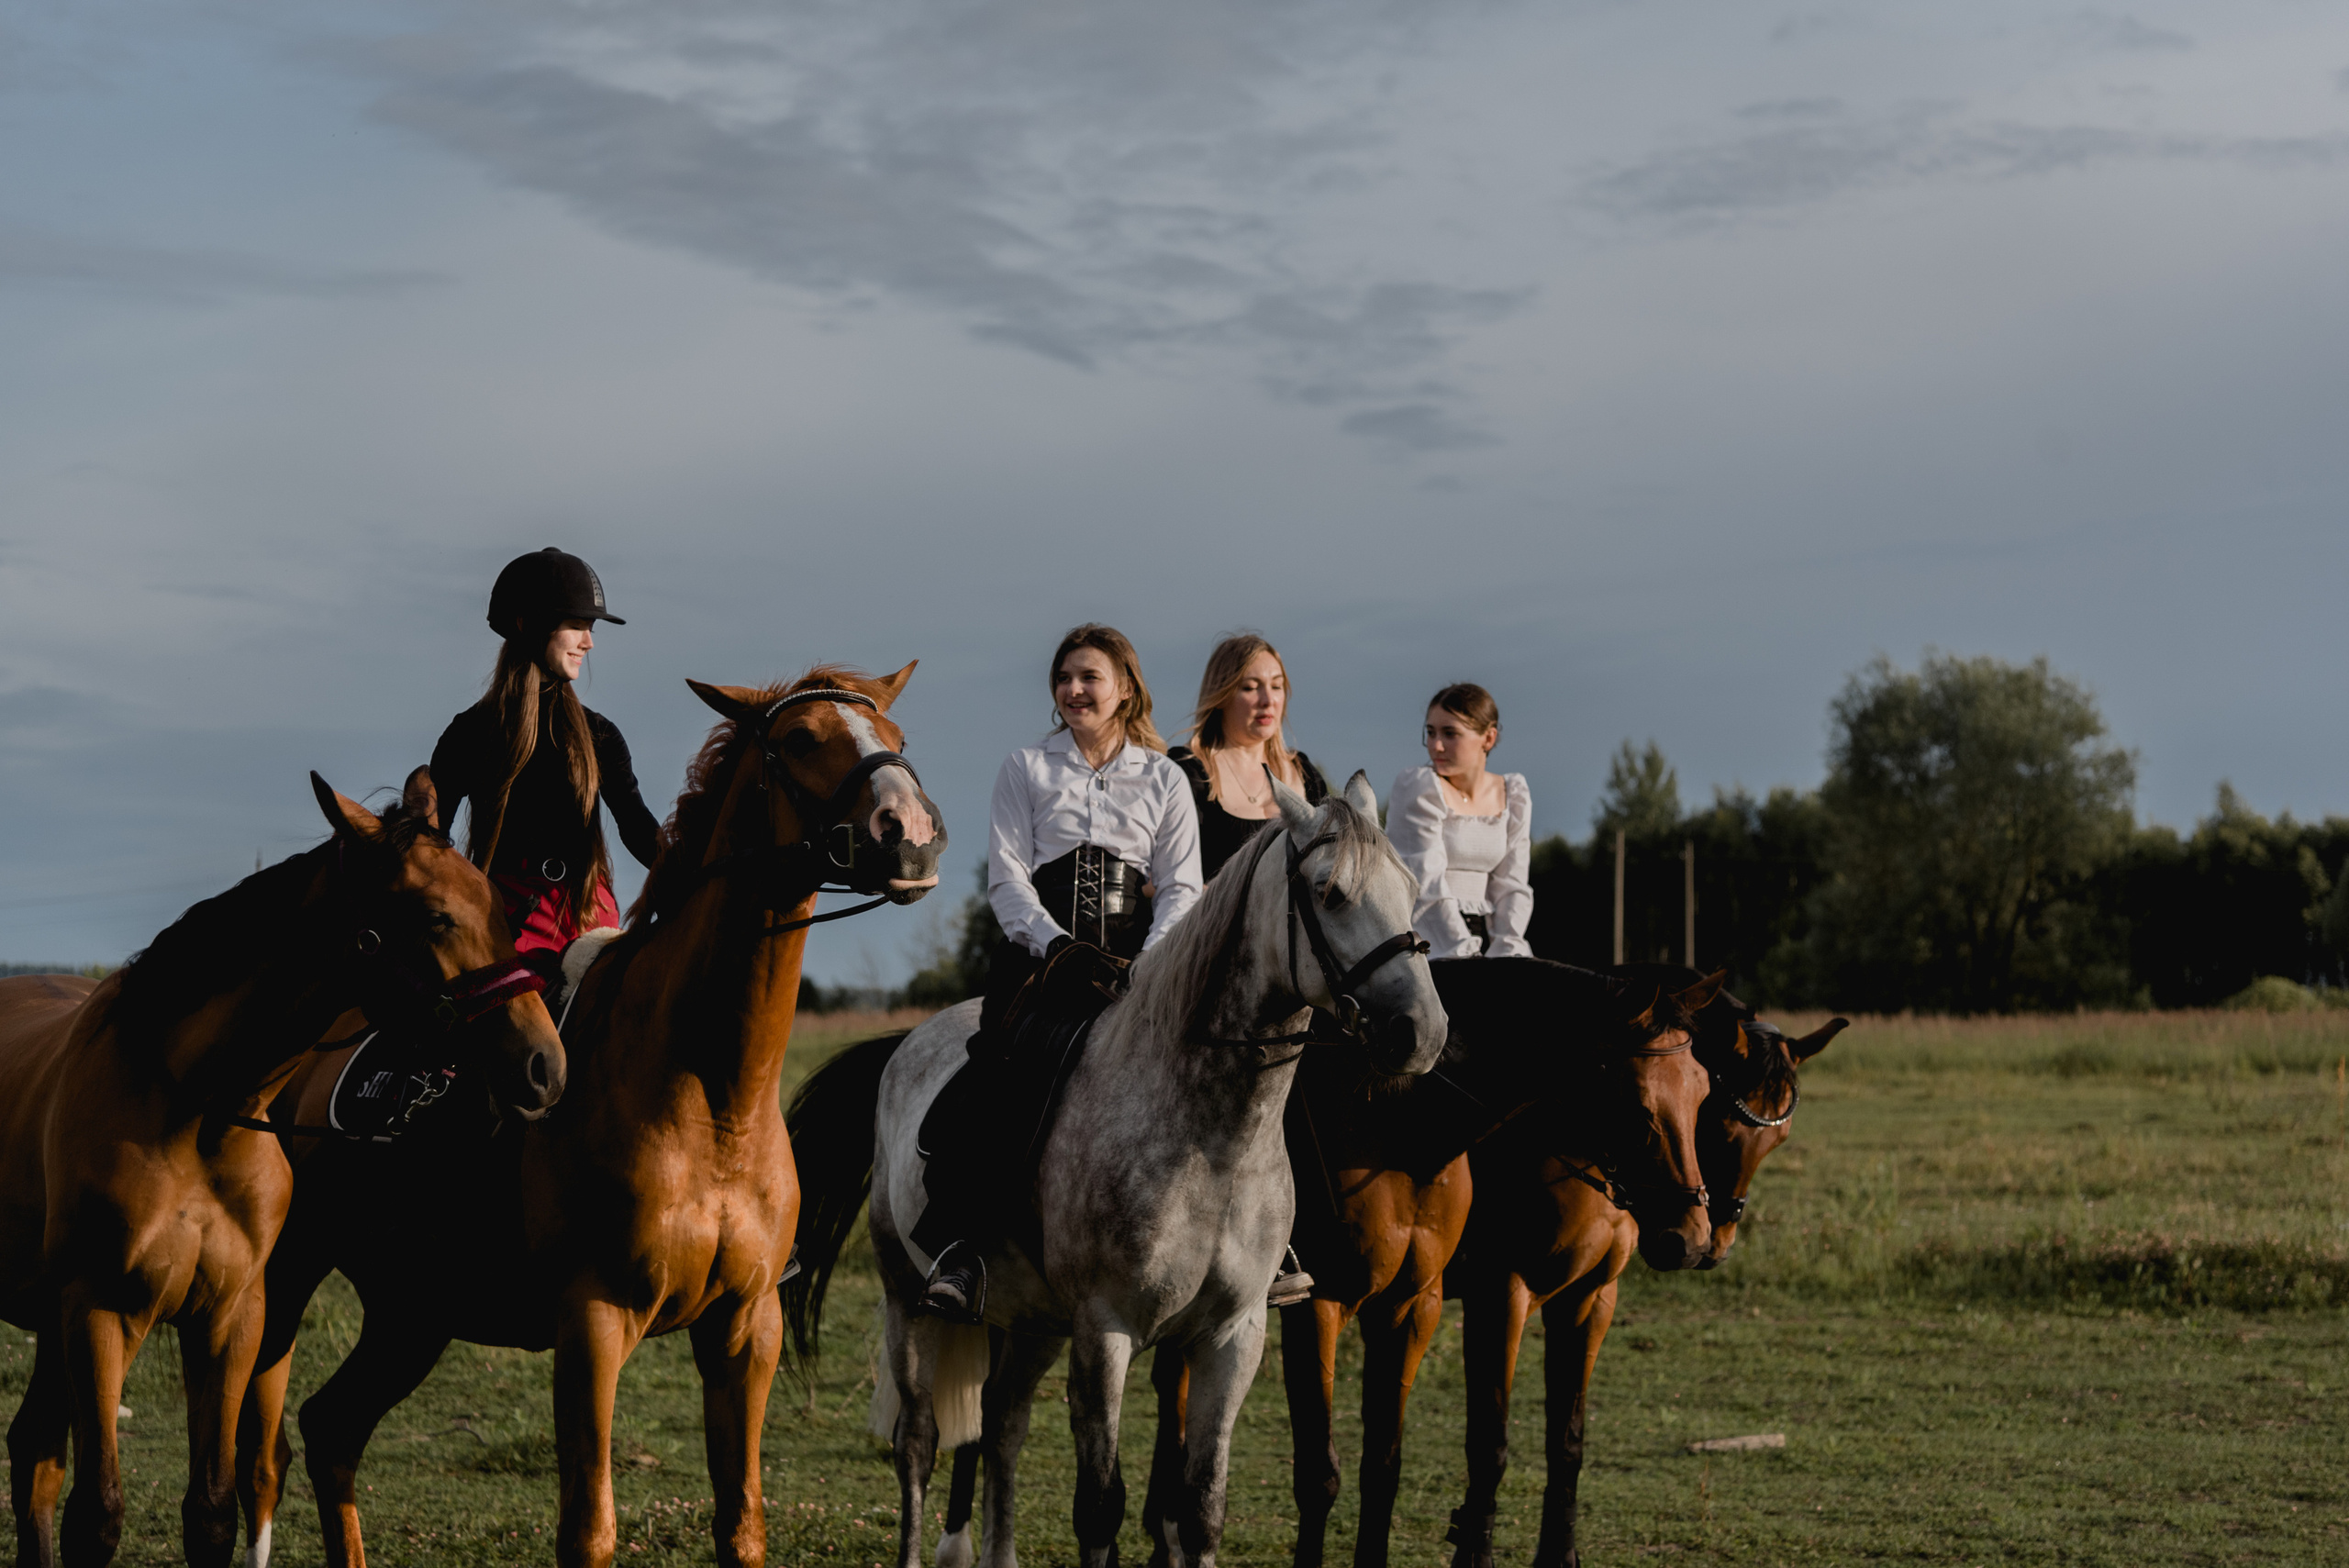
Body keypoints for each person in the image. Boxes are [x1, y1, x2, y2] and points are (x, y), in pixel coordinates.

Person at [913, 624, 1203, 1320]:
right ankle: (960, 1248)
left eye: (1090, 677)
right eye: (1065, 677)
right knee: (996, 1072)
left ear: (1124, 688)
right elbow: (1008, 878)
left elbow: (1182, 887)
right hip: (1041, 963)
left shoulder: (1165, 777)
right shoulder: (1026, 767)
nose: (1074, 689)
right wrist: (1054, 945)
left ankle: (1238, 1243)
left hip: (1139, 966)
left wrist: (1150, 965)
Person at [429, 548, 662, 973]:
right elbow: (432, 845)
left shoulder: (601, 735)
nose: (589, 642)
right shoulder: (469, 734)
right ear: (528, 625)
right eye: (576, 626)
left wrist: (698, 875)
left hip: (590, 921)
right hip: (499, 925)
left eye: (590, 628)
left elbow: (638, 827)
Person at [1386, 683, 1533, 960]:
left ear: (1487, 739)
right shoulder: (1418, 787)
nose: (1436, 745)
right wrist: (1463, 953)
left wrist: (1507, 950)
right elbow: (1423, 883)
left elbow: (1512, 884)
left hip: (1488, 940)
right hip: (1426, 939)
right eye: (1430, 733)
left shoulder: (1513, 795)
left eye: (1450, 734)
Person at [1169, 632, 1331, 881]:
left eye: (1276, 686)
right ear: (1222, 695)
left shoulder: (1305, 773)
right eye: (1250, 688)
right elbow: (1157, 880)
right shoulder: (1188, 771)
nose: (1267, 701)